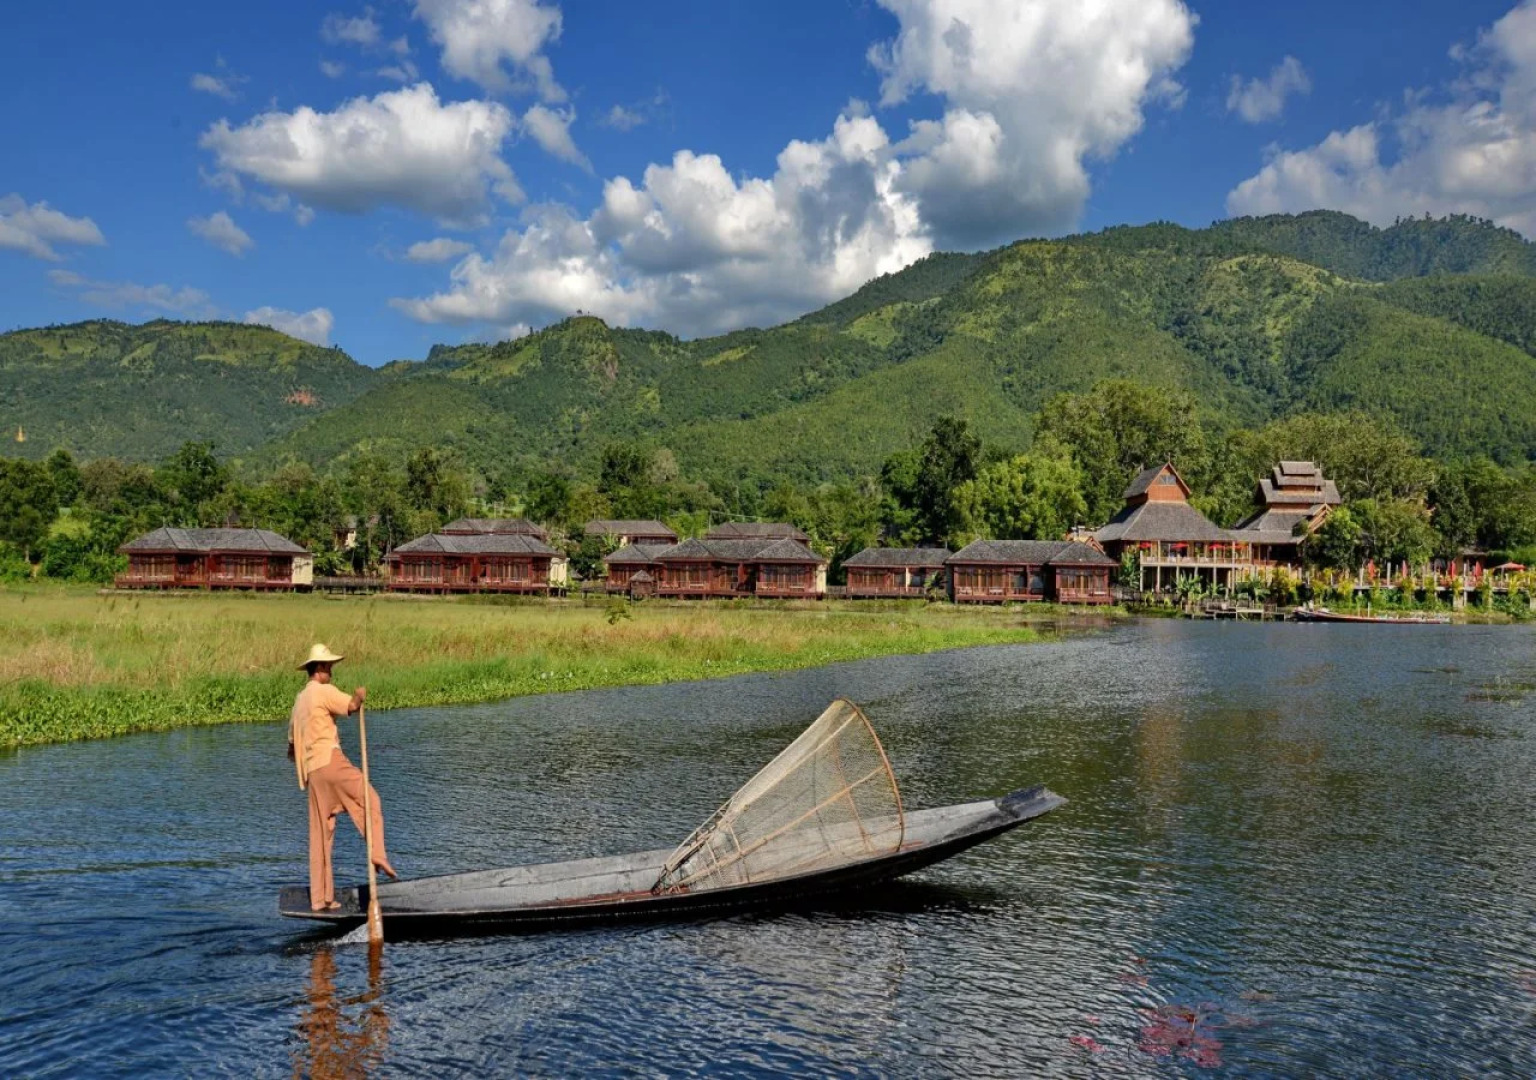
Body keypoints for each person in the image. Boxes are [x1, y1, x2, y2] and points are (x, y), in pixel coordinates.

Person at [288, 643, 398, 912]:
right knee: (370, 798)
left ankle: (320, 899)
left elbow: (291, 746)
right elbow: (350, 706)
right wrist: (359, 696)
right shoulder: (323, 691)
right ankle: (378, 854)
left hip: (313, 773)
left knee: (320, 836)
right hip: (331, 761)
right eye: (330, 667)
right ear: (321, 669)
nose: (332, 672)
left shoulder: (299, 701)